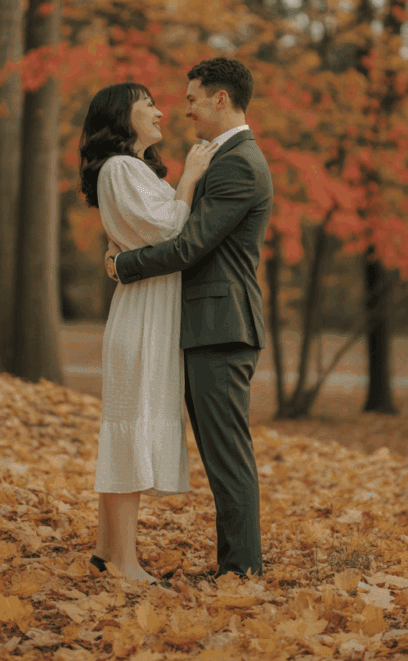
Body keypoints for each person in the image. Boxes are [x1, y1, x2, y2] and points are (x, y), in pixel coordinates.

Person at [104, 58, 273, 582]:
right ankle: (235, 567)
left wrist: (123, 266)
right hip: (207, 326)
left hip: (222, 326)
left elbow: (189, 245)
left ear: (221, 99)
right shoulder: (224, 158)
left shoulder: (238, 163)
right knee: (222, 456)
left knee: (228, 456)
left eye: (193, 98)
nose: (186, 109)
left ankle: (241, 572)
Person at [78, 80, 218, 586]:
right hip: (141, 318)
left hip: (151, 311)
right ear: (122, 116)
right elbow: (166, 231)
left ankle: (106, 551)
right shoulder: (120, 167)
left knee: (127, 427)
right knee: (128, 430)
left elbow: (148, 235)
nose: (160, 112)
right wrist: (191, 179)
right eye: (148, 105)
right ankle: (124, 562)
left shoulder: (134, 169)